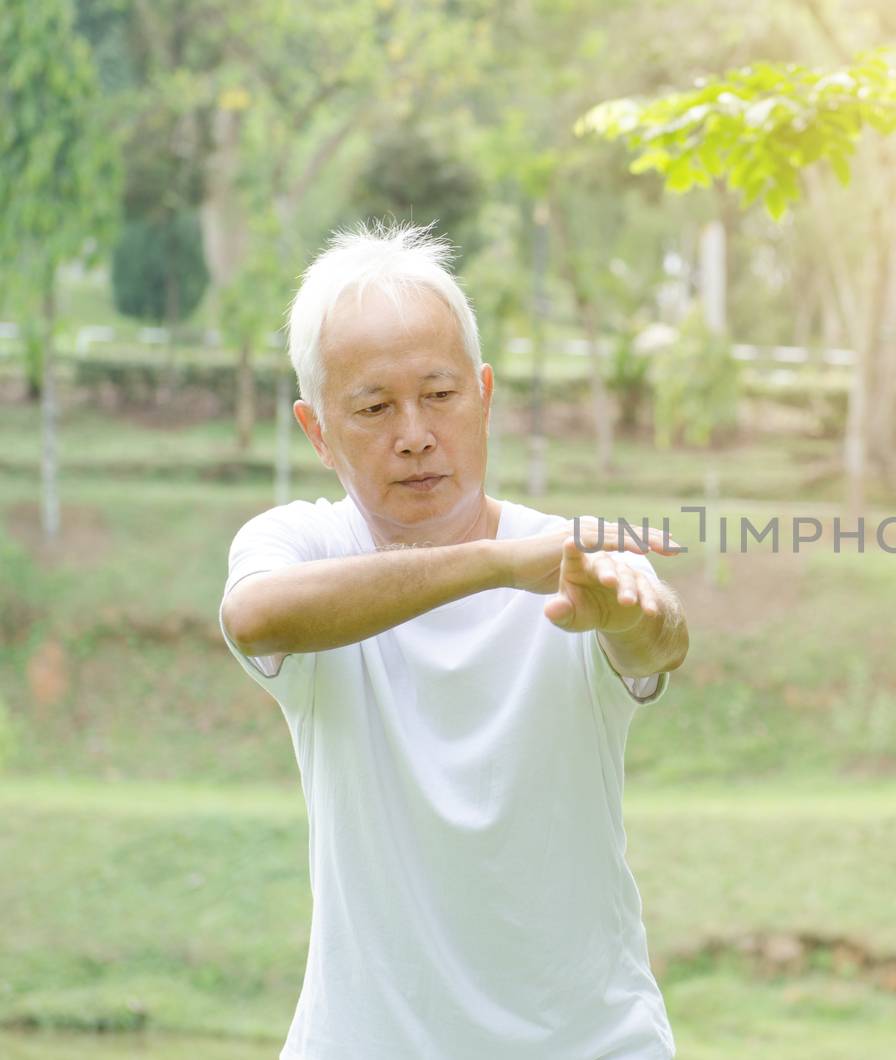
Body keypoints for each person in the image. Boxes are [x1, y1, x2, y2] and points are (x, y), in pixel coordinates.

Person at [217, 220, 688, 1059]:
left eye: (440, 395)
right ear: (316, 430)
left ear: (484, 394)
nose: (414, 433)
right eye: (372, 407)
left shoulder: (570, 557)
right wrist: (500, 564)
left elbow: (659, 644)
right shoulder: (304, 545)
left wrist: (634, 622)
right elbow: (255, 616)